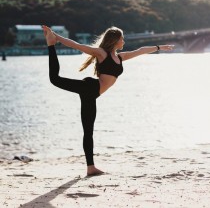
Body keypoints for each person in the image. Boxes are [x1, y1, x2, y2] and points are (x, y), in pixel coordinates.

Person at [42, 25, 174, 176]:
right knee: (55, 79)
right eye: (121, 38)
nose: (123, 41)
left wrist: (159, 47)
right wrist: (56, 37)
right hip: (89, 88)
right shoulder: (101, 53)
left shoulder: (120, 57)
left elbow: (140, 51)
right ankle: (50, 44)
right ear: (115, 40)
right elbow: (77, 45)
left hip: (93, 94)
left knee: (88, 131)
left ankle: (90, 167)